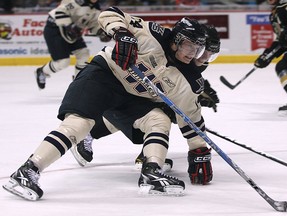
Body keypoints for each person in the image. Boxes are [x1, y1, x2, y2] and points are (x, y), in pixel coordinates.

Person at [3, 7, 215, 200]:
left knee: (159, 119)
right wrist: (122, 34)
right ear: (176, 40)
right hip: (103, 75)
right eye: (189, 45)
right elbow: (110, 14)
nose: (192, 53)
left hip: (133, 98)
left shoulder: (188, 78)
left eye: (197, 48)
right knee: (79, 123)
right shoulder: (152, 33)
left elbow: (190, 118)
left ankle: (151, 172)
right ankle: (28, 170)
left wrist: (199, 151)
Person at [71, 24, 221, 176]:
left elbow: (182, 81)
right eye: (203, 53)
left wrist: (199, 92)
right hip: (124, 87)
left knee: (160, 113)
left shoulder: (194, 59)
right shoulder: (174, 49)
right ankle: (143, 155)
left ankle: (145, 153)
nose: (204, 59)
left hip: (145, 92)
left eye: (210, 55)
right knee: (157, 114)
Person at [35, 0, 111, 89]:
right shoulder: (75, 1)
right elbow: (60, 11)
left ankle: (78, 82)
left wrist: (100, 32)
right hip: (55, 29)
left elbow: (93, 24)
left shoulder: (96, 8)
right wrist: (69, 26)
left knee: (83, 54)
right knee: (63, 62)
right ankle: (42, 71)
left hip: (72, 32)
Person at [254, 0, 287, 115]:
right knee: (283, 68)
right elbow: (281, 40)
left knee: (283, 66)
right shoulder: (274, 14)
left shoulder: (285, 7)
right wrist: (267, 55)